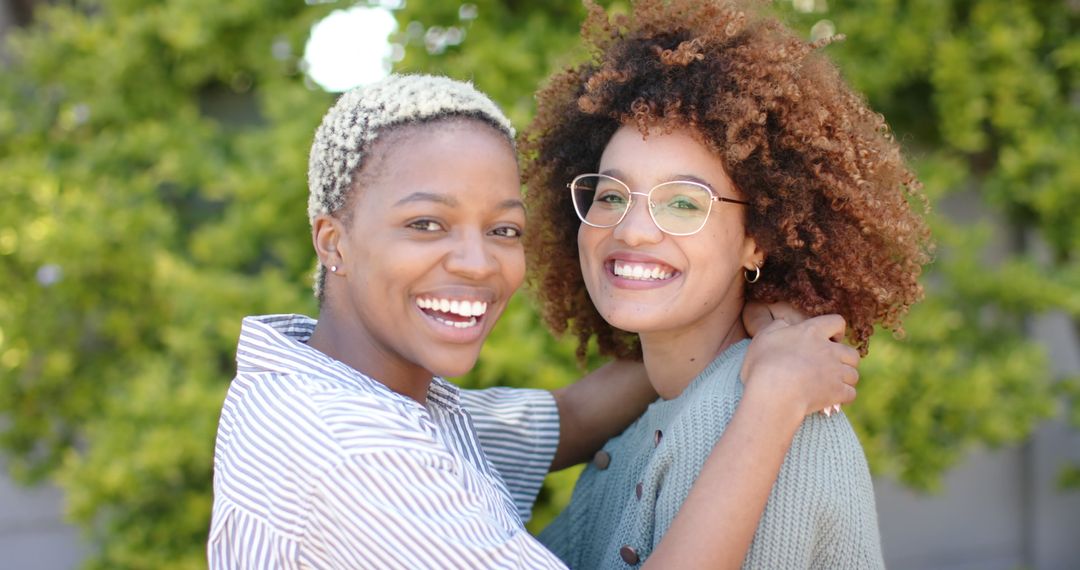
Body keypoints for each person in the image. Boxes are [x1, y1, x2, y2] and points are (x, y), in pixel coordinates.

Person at [208, 73, 860, 569]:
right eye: (425, 223)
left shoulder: (340, 386)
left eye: (503, 228)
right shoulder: (355, 450)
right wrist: (772, 398)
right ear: (332, 241)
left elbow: (568, 420)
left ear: (759, 236)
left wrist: (715, 327)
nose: (474, 263)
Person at [522, 1, 932, 568]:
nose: (633, 230)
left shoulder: (770, 425)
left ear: (756, 239)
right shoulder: (660, 417)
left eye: (684, 203)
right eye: (611, 195)